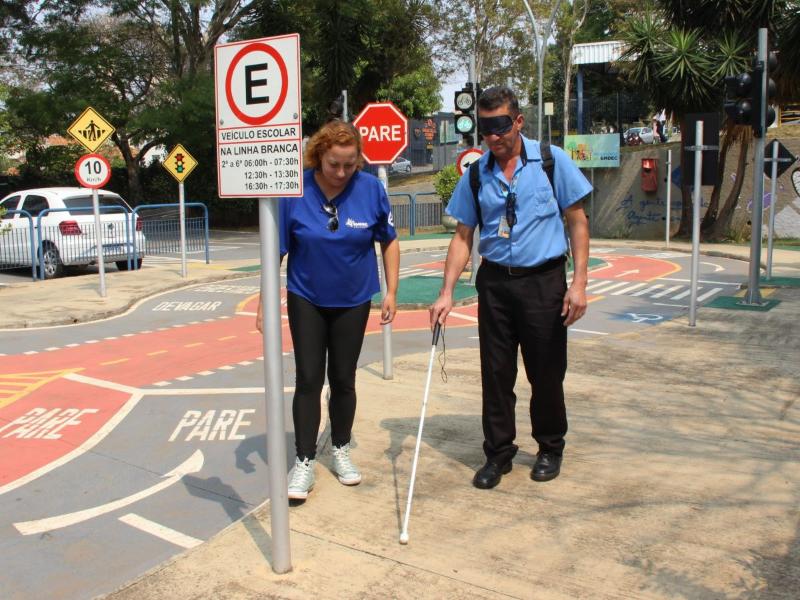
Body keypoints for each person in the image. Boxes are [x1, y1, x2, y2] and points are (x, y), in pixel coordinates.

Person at [430, 86, 591, 489]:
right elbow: (464, 235)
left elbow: (577, 221)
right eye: (485, 128)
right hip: (497, 284)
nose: (493, 136)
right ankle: (498, 454)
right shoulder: (476, 173)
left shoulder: (552, 162)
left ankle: (550, 447)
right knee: (496, 374)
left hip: (543, 282)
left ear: (518, 121)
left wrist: (580, 283)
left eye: (501, 126)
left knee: (546, 372)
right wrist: (447, 291)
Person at [256, 120, 400, 501]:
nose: (341, 173)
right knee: (307, 379)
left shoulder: (371, 189)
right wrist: (263, 302)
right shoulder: (295, 191)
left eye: (350, 165)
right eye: (334, 164)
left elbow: (389, 241)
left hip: (354, 299)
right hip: (307, 298)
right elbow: (276, 250)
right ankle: (303, 460)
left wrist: (391, 292)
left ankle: (340, 449)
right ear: (318, 156)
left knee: (343, 378)